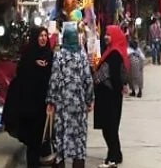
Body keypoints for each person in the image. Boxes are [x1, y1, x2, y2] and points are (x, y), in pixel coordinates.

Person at [46, 22, 94, 168]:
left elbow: (54, 79)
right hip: (78, 104)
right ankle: (78, 162)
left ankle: (60, 161)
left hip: (63, 103)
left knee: (61, 133)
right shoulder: (82, 56)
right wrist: (89, 99)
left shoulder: (59, 56)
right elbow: (88, 79)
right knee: (78, 136)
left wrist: (51, 101)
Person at [16, 26, 53, 168]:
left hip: (44, 103)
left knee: (41, 135)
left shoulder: (49, 54)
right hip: (30, 104)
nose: (43, 38)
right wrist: (33, 64)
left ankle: (39, 160)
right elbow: (21, 74)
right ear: (35, 38)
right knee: (32, 137)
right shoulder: (28, 55)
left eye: (45, 36)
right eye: (40, 36)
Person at [94, 26, 129, 168]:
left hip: (110, 97)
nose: (105, 37)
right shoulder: (111, 51)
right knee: (109, 127)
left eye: (109, 35)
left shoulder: (114, 54)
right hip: (109, 96)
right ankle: (115, 154)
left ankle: (113, 157)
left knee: (110, 128)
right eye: (105, 35)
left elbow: (113, 76)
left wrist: (97, 77)